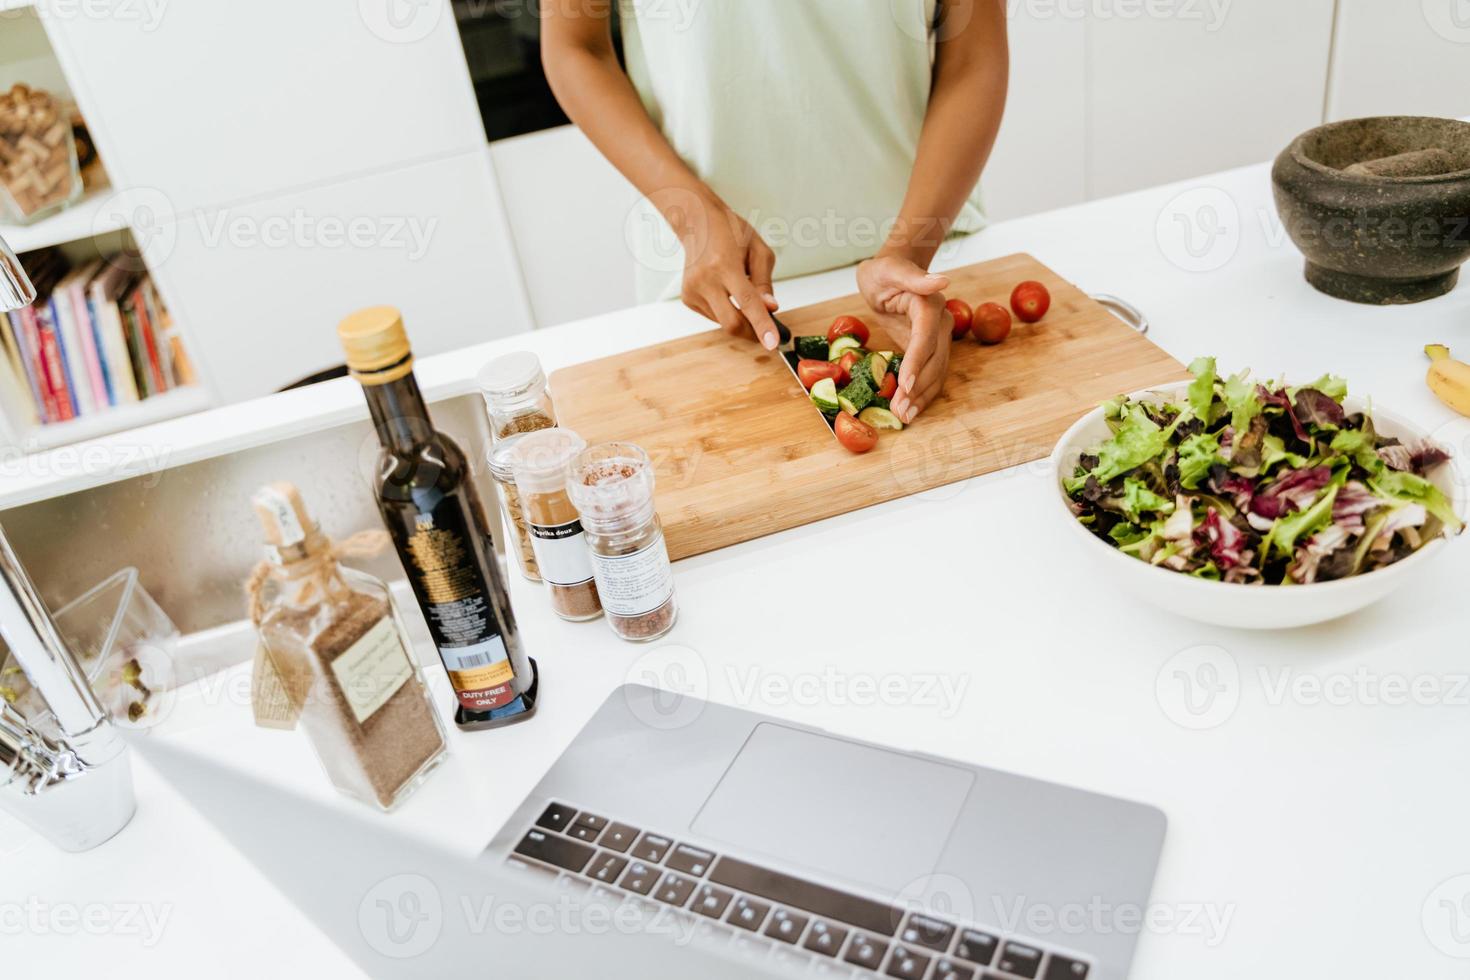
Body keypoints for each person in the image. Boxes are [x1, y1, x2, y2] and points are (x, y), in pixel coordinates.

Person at [542, 1, 1008, 423]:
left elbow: (972, 55)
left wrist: (911, 247)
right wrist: (693, 215)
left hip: (931, 255)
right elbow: (575, 49)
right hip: (708, 280)